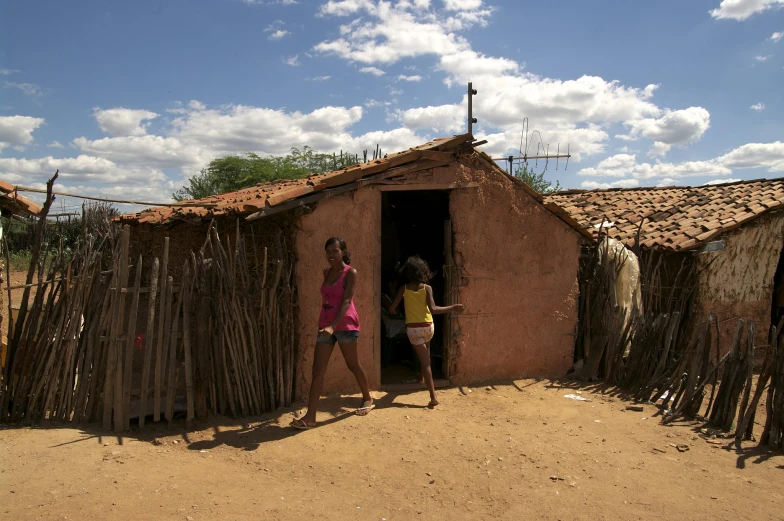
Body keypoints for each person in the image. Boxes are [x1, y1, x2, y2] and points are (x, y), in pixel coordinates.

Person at [291, 238, 373, 430]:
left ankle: (368, 397)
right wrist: (327, 326)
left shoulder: (350, 273)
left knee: (353, 364)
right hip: (325, 326)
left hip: (345, 325)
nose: (331, 255)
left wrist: (333, 326)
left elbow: (346, 301)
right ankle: (310, 417)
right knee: (318, 371)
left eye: (335, 251)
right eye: (328, 251)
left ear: (343, 252)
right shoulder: (326, 272)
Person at [388, 256, 464, 408]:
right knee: (425, 355)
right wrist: (452, 307)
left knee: (425, 361)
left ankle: (433, 396)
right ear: (423, 272)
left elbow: (392, 308)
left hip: (414, 329)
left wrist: (393, 310)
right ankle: (421, 378)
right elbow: (434, 309)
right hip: (429, 327)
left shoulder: (403, 289)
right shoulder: (427, 288)